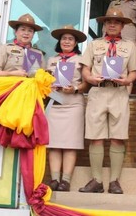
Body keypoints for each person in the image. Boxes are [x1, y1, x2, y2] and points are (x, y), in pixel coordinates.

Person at [78, 9, 136, 195]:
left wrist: (126, 80)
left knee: (117, 138)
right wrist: (90, 79)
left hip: (118, 92)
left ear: (122, 25)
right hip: (98, 91)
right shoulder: (94, 44)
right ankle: (96, 180)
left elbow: (134, 72)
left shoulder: (130, 47)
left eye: (116, 22)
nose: (112, 24)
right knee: (95, 137)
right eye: (109, 21)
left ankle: (114, 181)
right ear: (104, 24)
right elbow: (85, 70)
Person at [45, 25, 89, 192]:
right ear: (59, 41)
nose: (67, 41)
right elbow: (44, 82)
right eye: (64, 38)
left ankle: (66, 180)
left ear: (76, 42)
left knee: (71, 143)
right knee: (54, 144)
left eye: (70, 39)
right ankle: (55, 180)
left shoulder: (81, 60)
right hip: (55, 104)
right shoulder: (51, 60)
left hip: (73, 104)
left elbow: (86, 83)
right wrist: (49, 87)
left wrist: (75, 89)